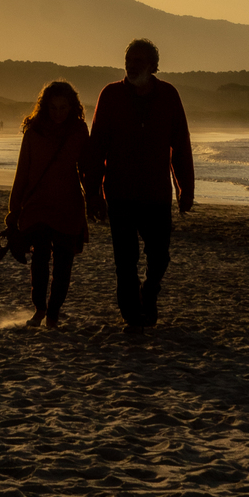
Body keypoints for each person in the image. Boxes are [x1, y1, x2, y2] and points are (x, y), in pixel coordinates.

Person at [85, 38, 194, 333]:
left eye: (139, 61)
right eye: (129, 61)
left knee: (159, 256)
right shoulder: (110, 96)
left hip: (156, 194)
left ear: (153, 66)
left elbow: (181, 146)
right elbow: (97, 148)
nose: (132, 66)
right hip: (119, 193)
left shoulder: (169, 96)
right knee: (125, 258)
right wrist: (92, 193)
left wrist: (186, 188)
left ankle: (150, 291)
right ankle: (132, 314)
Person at [3, 81, 89, 329]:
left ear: (72, 107)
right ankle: (40, 308)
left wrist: (96, 197)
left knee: (64, 263)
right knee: (39, 260)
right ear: (45, 107)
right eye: (53, 108)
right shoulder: (34, 132)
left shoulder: (78, 131)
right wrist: (13, 210)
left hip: (68, 205)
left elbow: (86, 170)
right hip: (37, 205)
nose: (59, 113)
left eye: (63, 108)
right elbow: (23, 172)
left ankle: (53, 314)